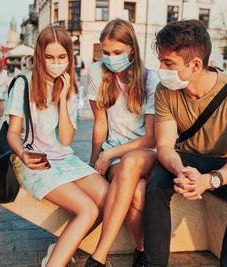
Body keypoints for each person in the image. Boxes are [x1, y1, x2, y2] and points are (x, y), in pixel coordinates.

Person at [135, 19, 227, 267]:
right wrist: (180, 170)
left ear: (195, 65)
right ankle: (153, 263)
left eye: (168, 63)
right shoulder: (164, 90)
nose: (161, 68)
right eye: (161, 61)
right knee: (157, 184)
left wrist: (209, 180)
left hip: (226, 160)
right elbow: (165, 147)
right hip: (187, 157)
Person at [6, 25, 108, 267]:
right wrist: (22, 153)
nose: (56, 62)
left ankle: (59, 248)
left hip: (64, 156)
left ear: (69, 57)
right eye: (49, 57)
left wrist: (62, 99)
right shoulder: (23, 83)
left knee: (108, 198)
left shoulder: (70, 87)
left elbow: (65, 140)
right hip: (34, 159)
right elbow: (12, 134)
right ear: (40, 56)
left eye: (62, 57)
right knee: (87, 209)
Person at [84, 18, 158, 267]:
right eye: (106, 52)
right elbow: (100, 123)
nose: (110, 57)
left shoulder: (150, 80)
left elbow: (151, 137)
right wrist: (94, 161)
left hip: (145, 152)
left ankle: (99, 256)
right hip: (115, 154)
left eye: (117, 52)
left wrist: (110, 153)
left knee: (130, 163)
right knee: (137, 192)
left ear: (132, 51)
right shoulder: (97, 72)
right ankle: (143, 252)